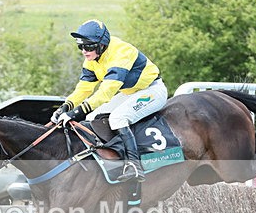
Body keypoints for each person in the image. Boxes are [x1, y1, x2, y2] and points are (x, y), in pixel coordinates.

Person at [51, 19, 168, 182]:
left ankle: (134, 165)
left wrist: (75, 112)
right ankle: (108, 156)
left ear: (102, 44)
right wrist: (66, 106)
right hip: (130, 92)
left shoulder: (121, 52)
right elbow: (84, 89)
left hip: (152, 90)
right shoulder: (91, 60)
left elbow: (106, 92)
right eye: (81, 46)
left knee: (117, 118)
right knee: (92, 118)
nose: (84, 51)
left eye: (88, 46)